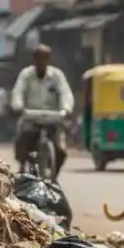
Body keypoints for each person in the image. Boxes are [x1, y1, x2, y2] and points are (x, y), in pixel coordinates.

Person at [11, 44, 75, 178]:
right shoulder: (26, 75)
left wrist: (66, 108)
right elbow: (18, 92)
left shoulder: (57, 75)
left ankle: (53, 178)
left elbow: (65, 93)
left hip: (53, 119)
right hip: (31, 118)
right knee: (22, 145)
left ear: (48, 59)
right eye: (38, 58)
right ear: (34, 59)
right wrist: (18, 106)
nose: (41, 61)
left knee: (61, 151)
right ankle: (23, 168)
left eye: (44, 58)